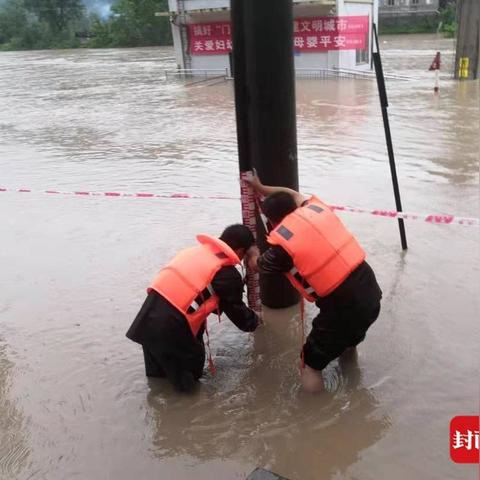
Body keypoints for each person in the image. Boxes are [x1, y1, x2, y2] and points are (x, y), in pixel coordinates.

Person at [246, 174, 382, 393]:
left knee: (309, 365)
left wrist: (252, 252)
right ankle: (353, 385)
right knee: (348, 343)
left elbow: (256, 266)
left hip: (342, 308)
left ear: (271, 222)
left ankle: (316, 417)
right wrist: (261, 187)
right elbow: (291, 193)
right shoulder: (313, 209)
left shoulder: (281, 249)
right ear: (294, 208)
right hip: (371, 293)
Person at [126, 224, 260, 392]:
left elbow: (189, 297)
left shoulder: (193, 252)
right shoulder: (226, 272)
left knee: (158, 383)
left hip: (146, 321)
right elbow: (241, 318)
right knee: (189, 388)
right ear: (240, 251)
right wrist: (258, 322)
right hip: (172, 329)